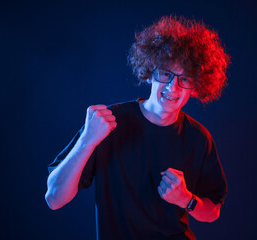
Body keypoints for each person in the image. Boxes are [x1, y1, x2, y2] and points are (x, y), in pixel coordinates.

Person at [45, 15, 230, 240]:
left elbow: (212, 212)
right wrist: (87, 140)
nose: (173, 87)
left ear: (197, 85)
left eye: (186, 79)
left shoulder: (199, 139)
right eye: (166, 74)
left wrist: (185, 199)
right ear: (150, 72)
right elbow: (54, 199)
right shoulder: (108, 122)